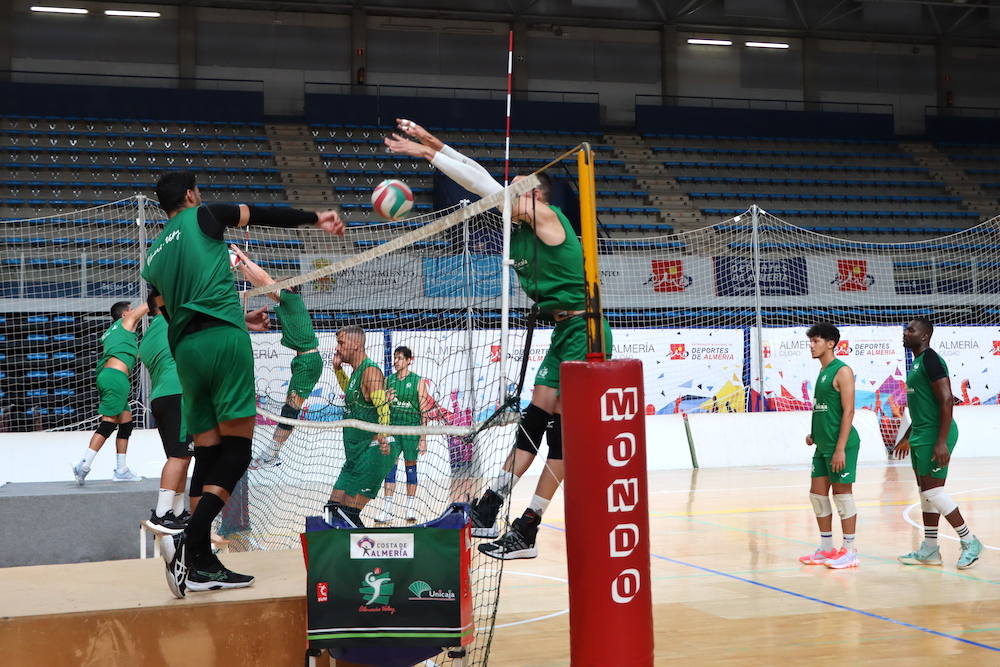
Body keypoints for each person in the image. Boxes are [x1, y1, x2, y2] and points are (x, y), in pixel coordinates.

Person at [385, 119, 613, 560]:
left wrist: (427, 155)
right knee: (534, 420)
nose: (505, 190)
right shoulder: (521, 230)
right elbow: (477, 174)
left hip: (585, 329)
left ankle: (527, 527)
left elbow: (483, 183)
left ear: (534, 196)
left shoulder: (547, 216)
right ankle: (491, 505)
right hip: (564, 330)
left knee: (562, 434)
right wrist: (434, 143)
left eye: (515, 187)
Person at [143, 170, 343, 598]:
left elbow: (157, 306)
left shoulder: (154, 253)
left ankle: (200, 565)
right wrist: (317, 218)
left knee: (208, 452)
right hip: (222, 342)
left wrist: (224, 317)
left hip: (187, 351)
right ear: (192, 194)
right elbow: (265, 214)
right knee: (238, 449)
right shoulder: (206, 215)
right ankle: (190, 543)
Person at [895, 317, 982, 569]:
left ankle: (969, 541)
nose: (905, 332)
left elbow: (946, 400)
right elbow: (925, 405)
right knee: (925, 494)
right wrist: (908, 435)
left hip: (936, 434)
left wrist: (941, 441)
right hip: (922, 433)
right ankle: (930, 550)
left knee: (933, 491)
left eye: (910, 329)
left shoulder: (931, 359)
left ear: (924, 336)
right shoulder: (917, 363)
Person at [229, 245, 323, 470]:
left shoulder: (291, 299)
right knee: (289, 409)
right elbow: (259, 283)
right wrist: (243, 266)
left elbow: (264, 279)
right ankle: (271, 453)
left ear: (289, 287)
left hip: (309, 362)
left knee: (290, 410)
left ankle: (272, 453)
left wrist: (243, 258)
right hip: (303, 361)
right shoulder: (286, 302)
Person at [797, 323, 861, 569]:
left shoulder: (842, 370)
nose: (812, 346)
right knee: (817, 495)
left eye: (816, 341)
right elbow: (825, 409)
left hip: (841, 445)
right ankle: (826, 549)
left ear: (831, 343)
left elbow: (848, 411)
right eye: (811, 341)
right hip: (822, 444)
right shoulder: (823, 372)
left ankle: (850, 551)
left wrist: (840, 448)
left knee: (843, 496)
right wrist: (814, 434)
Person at [324, 325, 397, 528]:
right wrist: (337, 370)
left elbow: (383, 407)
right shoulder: (356, 372)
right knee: (331, 512)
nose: (337, 348)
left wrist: (383, 435)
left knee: (347, 515)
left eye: (341, 343)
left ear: (356, 344)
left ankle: (367, 557)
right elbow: (352, 395)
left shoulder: (370, 371)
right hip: (355, 455)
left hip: (371, 452)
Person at [72, 300, 149, 484]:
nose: (133, 312)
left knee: (126, 423)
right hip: (116, 378)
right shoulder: (126, 322)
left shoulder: (111, 332)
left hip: (109, 376)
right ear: (124, 315)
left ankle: (121, 470)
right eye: (130, 310)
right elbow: (148, 305)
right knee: (108, 424)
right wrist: (166, 284)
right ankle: (83, 465)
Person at [139, 293, 194, 534]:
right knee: (179, 457)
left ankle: (178, 511)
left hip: (161, 397)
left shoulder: (149, 333)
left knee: (182, 455)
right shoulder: (174, 321)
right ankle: (161, 514)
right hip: (178, 393)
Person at [375, 346, 429, 524]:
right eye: (395, 358)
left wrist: (423, 439)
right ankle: (387, 510)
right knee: (389, 470)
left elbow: (424, 411)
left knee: (410, 469)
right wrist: (385, 400)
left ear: (408, 360)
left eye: (399, 358)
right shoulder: (388, 380)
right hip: (393, 431)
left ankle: (410, 508)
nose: (396, 361)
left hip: (411, 432)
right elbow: (381, 408)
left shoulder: (418, 381)